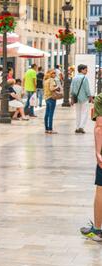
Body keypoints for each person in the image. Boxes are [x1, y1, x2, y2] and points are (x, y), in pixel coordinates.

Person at [80, 92, 102, 241]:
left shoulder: (100, 98)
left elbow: (100, 127)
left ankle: (97, 230)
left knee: (101, 189)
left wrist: (98, 153)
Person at [71, 64, 93, 134]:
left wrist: (71, 98)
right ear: (82, 70)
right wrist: (90, 97)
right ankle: (81, 127)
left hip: (76, 98)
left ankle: (77, 127)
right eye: (86, 70)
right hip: (84, 98)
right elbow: (87, 89)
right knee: (84, 113)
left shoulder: (74, 78)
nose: (87, 71)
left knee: (78, 113)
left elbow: (72, 89)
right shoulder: (84, 78)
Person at [43, 69, 60, 134]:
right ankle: (50, 129)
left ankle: (46, 129)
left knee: (47, 114)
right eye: (54, 73)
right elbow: (51, 88)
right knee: (51, 114)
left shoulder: (45, 80)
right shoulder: (51, 80)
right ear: (51, 74)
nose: (55, 75)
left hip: (46, 98)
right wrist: (57, 87)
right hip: (51, 98)